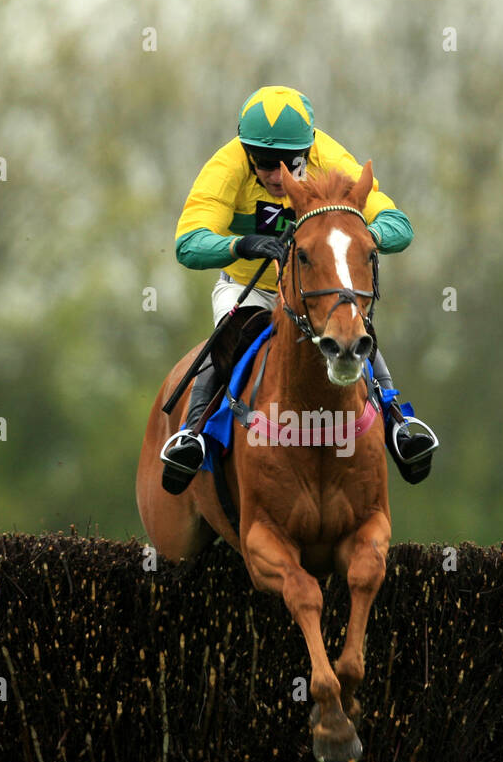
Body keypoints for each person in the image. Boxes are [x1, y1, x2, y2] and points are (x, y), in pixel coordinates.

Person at [160, 84, 438, 493]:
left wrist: (356, 237)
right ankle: (194, 432)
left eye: (289, 162)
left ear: (308, 149)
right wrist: (241, 244)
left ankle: (399, 423)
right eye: (263, 163)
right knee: (229, 341)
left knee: (354, 328)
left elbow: (398, 226)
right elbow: (188, 244)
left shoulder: (330, 158)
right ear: (245, 151)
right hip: (249, 288)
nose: (276, 175)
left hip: (318, 292)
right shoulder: (225, 167)